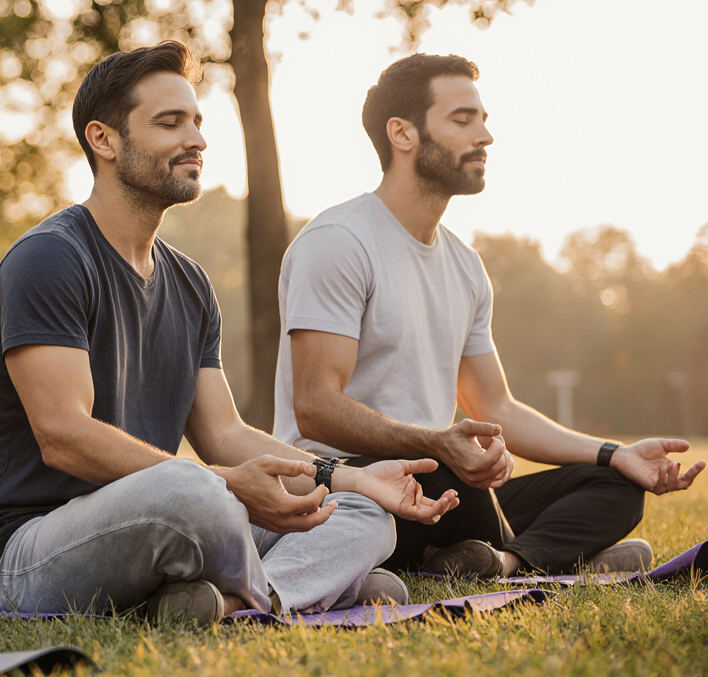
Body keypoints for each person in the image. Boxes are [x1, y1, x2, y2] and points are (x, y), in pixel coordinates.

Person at [0, 42, 459, 626]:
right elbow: (63, 435)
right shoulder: (50, 258)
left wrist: (348, 476)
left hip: (168, 514)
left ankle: (252, 598)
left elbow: (224, 433)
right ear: (104, 140)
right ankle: (313, 585)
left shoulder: (189, 283)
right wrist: (227, 485)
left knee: (361, 511)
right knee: (193, 492)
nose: (195, 138)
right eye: (170, 122)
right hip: (22, 553)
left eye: (197, 121)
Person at [275, 53, 704, 579]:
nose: (485, 136)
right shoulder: (339, 242)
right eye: (462, 120)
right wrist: (437, 443)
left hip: (442, 485)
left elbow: (496, 405)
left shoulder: (465, 266)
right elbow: (315, 407)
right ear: (402, 133)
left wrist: (615, 453)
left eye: (483, 120)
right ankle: (550, 557)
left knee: (615, 485)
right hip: (345, 489)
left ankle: (503, 559)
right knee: (455, 481)